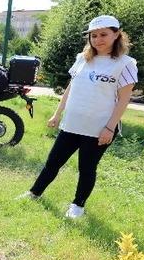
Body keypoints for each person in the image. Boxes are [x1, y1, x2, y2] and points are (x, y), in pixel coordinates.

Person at [20, 15, 137, 219]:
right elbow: (71, 88)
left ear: (117, 35)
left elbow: (123, 100)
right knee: (53, 162)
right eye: (94, 35)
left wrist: (109, 128)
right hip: (72, 124)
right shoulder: (82, 59)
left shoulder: (125, 64)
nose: (98, 39)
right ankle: (34, 192)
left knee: (86, 168)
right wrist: (57, 114)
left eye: (104, 34)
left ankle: (78, 206)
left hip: (99, 128)